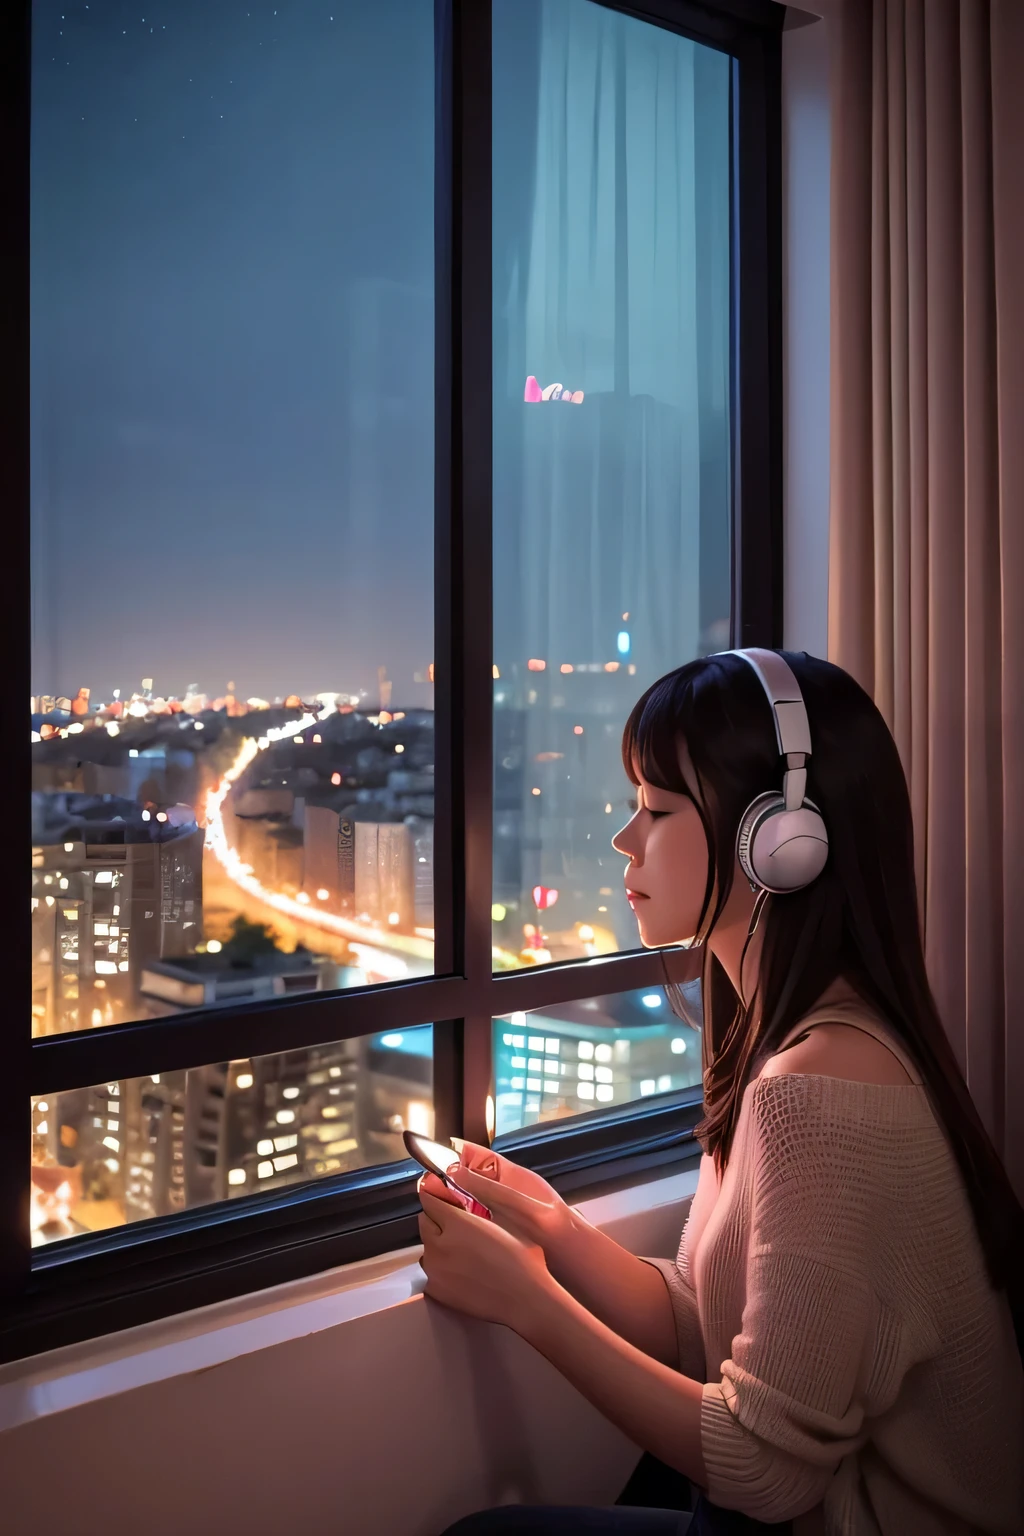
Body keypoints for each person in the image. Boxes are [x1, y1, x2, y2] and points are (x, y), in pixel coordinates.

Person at [419, 650, 1024, 1536]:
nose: (625, 839)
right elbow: (715, 1328)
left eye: (658, 809)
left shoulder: (819, 1090)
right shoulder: (796, 1041)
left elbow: (763, 1469)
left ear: (781, 840)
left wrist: (528, 1302)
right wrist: (553, 1227)